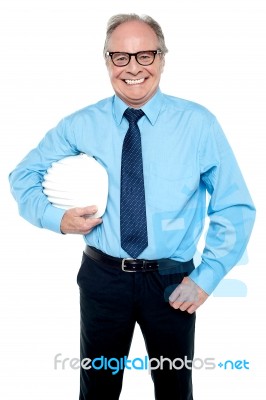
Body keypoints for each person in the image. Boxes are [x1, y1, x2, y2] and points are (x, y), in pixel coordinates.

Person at [9, 13, 255, 400]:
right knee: (98, 389)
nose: (133, 67)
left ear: (162, 59)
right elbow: (23, 175)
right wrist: (57, 218)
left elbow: (234, 207)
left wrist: (206, 278)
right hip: (102, 278)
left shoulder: (198, 124)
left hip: (173, 282)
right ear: (107, 61)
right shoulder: (80, 125)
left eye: (145, 55)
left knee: (174, 389)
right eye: (120, 57)